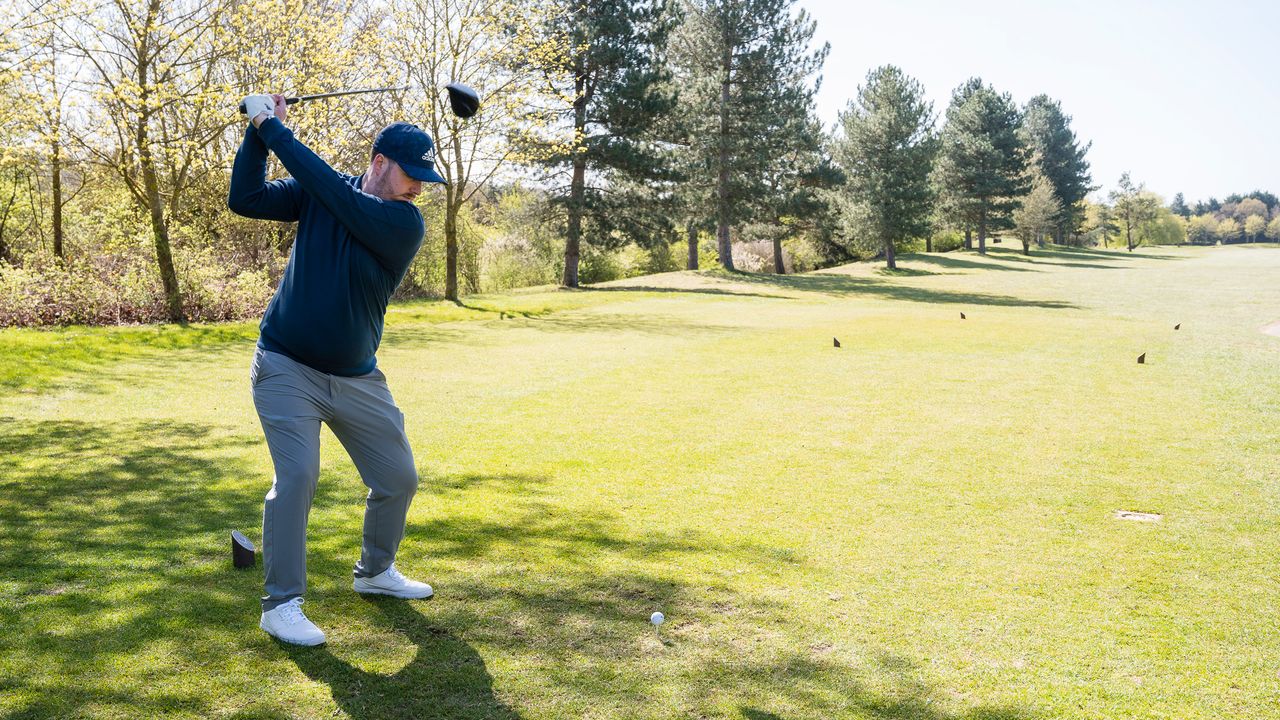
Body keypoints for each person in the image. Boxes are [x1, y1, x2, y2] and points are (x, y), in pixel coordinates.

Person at [228, 93, 444, 646]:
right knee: (297, 477)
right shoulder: (327, 192)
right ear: (378, 162)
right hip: (285, 367)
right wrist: (257, 135)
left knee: (398, 479)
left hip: (356, 377)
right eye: (411, 174)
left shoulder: (402, 223)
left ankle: (375, 573)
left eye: (424, 177)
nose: (419, 186)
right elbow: (246, 198)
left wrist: (270, 124)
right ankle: (281, 604)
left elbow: (326, 188)